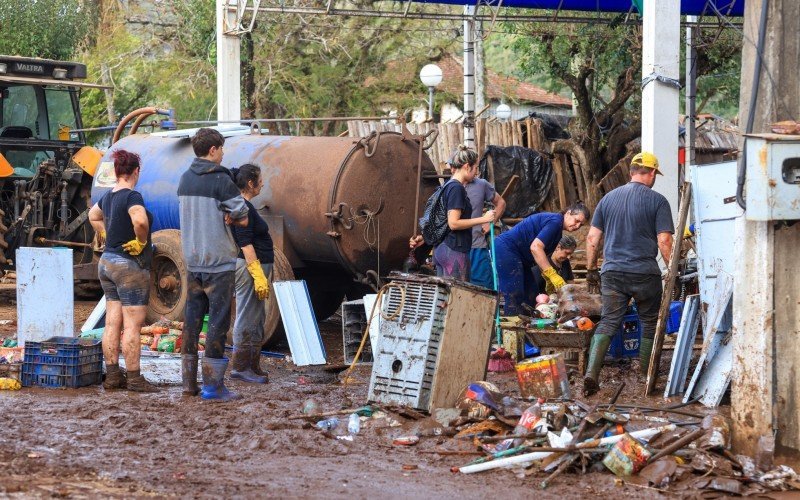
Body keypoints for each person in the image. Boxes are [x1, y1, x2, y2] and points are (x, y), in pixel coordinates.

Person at [583, 151, 674, 396]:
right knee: (647, 321)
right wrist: (673, 269)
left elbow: (592, 239)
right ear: (652, 173)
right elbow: (664, 240)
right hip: (645, 274)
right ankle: (646, 375)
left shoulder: (608, 199)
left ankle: (591, 373)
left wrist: (592, 269)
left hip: (612, 273)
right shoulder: (658, 201)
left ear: (631, 171)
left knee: (609, 321)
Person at [178, 128, 249, 401]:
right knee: (218, 323)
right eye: (221, 148)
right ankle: (213, 387)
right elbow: (243, 217)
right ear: (213, 150)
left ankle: (188, 385)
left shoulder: (184, 179)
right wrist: (231, 217)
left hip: (193, 261)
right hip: (218, 264)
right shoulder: (221, 180)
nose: (222, 153)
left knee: (192, 323)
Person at [88, 149, 158, 393]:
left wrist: (105, 233)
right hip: (128, 266)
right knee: (131, 327)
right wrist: (140, 241)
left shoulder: (108, 197)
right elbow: (140, 221)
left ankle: (113, 376)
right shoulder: (132, 196)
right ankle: (135, 379)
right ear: (136, 171)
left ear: (116, 171)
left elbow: (92, 215)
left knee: (111, 324)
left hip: (106, 263)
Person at [409, 145, 495, 281]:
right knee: (457, 298)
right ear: (467, 166)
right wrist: (483, 219)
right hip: (454, 251)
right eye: (476, 168)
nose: (477, 172)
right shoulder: (457, 188)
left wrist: (424, 238)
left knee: (445, 300)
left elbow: (441, 222)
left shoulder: (447, 186)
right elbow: (453, 223)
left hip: (442, 250)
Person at [494, 202, 589, 315]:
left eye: (581, 225)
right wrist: (551, 274)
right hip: (507, 248)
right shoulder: (555, 222)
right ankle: (510, 331)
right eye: (577, 220)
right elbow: (535, 247)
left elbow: (540, 254)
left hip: (522, 257)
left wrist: (546, 276)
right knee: (515, 293)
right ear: (568, 213)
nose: (577, 226)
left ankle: (528, 328)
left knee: (532, 294)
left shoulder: (558, 231)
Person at [230, 164, 273, 384]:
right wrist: (256, 273)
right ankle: (239, 367)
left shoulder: (246, 206)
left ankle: (253, 366)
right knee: (247, 315)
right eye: (260, 179)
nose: (263, 183)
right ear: (250, 183)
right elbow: (245, 243)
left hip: (257, 266)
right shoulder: (242, 207)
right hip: (250, 268)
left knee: (257, 317)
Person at [464, 163, 506, 289]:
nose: (477, 171)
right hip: (455, 249)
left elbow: (501, 203)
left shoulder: (481, 184)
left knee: (483, 290)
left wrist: (490, 223)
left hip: (476, 246)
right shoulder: (449, 186)